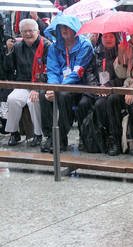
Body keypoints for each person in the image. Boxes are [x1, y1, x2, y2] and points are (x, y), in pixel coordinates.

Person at [40, 15, 93, 152]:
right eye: (61, 27)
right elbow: (52, 71)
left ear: (75, 28)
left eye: (67, 27)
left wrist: (58, 88)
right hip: (59, 85)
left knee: (64, 96)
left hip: (79, 86)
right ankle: (51, 136)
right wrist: (52, 88)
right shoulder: (54, 47)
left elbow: (77, 72)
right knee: (43, 94)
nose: (64, 30)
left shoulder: (85, 45)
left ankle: (60, 137)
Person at [3, 19, 51, 147]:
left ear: (38, 31)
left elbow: (48, 70)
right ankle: (14, 132)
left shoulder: (46, 45)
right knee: (12, 99)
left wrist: (37, 87)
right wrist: (8, 51)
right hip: (23, 83)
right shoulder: (17, 46)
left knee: (33, 101)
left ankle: (38, 134)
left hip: (41, 84)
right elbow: (8, 68)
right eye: (25, 31)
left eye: (31, 31)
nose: (28, 34)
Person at [78, 32, 125, 155]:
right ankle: (84, 136)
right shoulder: (95, 53)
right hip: (97, 89)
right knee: (83, 103)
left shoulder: (121, 52)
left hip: (113, 89)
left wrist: (107, 86)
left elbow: (123, 77)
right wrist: (97, 87)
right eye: (105, 36)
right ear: (101, 38)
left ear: (116, 38)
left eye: (111, 36)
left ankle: (111, 138)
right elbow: (89, 72)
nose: (108, 39)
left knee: (102, 104)